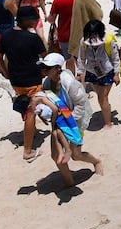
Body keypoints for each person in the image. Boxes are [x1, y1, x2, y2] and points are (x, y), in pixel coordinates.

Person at [38, 53, 103, 188]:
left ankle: (96, 162)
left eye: (47, 68)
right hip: (59, 121)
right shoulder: (47, 84)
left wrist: (69, 121)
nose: (44, 71)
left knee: (76, 154)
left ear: (57, 68)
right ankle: (69, 183)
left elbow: (81, 104)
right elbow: (48, 103)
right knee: (56, 155)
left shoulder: (69, 83)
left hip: (75, 120)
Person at [0, 6, 46, 162]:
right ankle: (28, 151)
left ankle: (31, 131)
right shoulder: (32, 38)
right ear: (26, 20)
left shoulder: (6, 36)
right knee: (31, 112)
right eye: (34, 18)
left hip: (16, 80)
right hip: (32, 80)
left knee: (26, 106)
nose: (36, 21)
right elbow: (45, 58)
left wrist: (6, 73)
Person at [75, 19, 120, 128]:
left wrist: (116, 74)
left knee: (102, 97)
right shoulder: (83, 42)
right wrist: (80, 72)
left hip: (107, 72)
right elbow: (81, 58)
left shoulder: (109, 41)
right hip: (91, 72)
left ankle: (108, 123)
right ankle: (107, 110)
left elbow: (116, 58)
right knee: (102, 97)